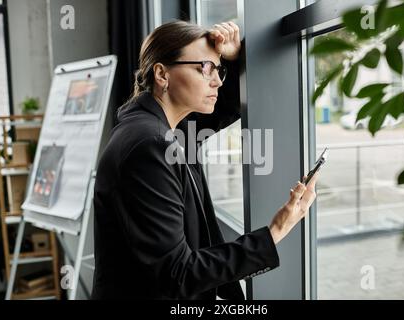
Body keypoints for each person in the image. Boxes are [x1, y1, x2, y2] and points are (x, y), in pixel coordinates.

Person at [91, 20, 318, 300]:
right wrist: (276, 230)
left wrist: (234, 58)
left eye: (218, 69)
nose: (217, 80)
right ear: (162, 74)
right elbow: (177, 274)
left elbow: (224, 104)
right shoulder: (149, 145)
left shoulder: (164, 129)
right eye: (205, 68)